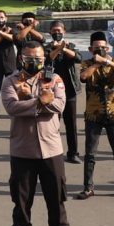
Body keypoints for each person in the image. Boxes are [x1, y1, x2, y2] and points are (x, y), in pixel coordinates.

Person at [1, 41, 76, 226]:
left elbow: (59, 105)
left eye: (39, 59)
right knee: (22, 203)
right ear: (21, 58)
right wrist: (39, 100)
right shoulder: (10, 80)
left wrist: (36, 101)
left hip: (51, 149)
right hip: (23, 151)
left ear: (45, 59)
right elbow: (12, 107)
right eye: (29, 58)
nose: (34, 62)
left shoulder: (55, 79)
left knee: (57, 201)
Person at [75, 32, 114, 200]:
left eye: (103, 47)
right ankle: (88, 187)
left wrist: (107, 61)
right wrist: (97, 63)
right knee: (90, 153)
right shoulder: (87, 63)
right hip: (94, 115)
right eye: (97, 48)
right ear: (90, 49)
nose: (101, 50)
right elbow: (83, 77)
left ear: (108, 48)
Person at [45, 21, 81, 163]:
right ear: (50, 32)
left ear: (64, 31)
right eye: (54, 30)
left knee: (71, 124)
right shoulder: (47, 47)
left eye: (59, 30)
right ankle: (52, 152)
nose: (57, 33)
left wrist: (63, 49)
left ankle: (73, 153)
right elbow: (47, 60)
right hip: (52, 92)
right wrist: (56, 49)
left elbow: (78, 58)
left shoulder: (70, 46)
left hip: (69, 91)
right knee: (52, 123)